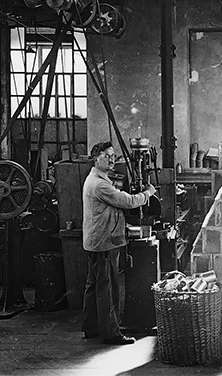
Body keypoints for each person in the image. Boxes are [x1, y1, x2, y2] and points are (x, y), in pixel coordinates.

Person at [81, 141, 156, 345]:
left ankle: (91, 327)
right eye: (107, 155)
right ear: (96, 158)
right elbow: (127, 201)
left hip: (97, 240)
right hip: (104, 242)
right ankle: (111, 333)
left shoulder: (97, 178)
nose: (112, 159)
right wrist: (148, 193)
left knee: (94, 285)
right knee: (108, 287)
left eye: (113, 155)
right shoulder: (100, 184)